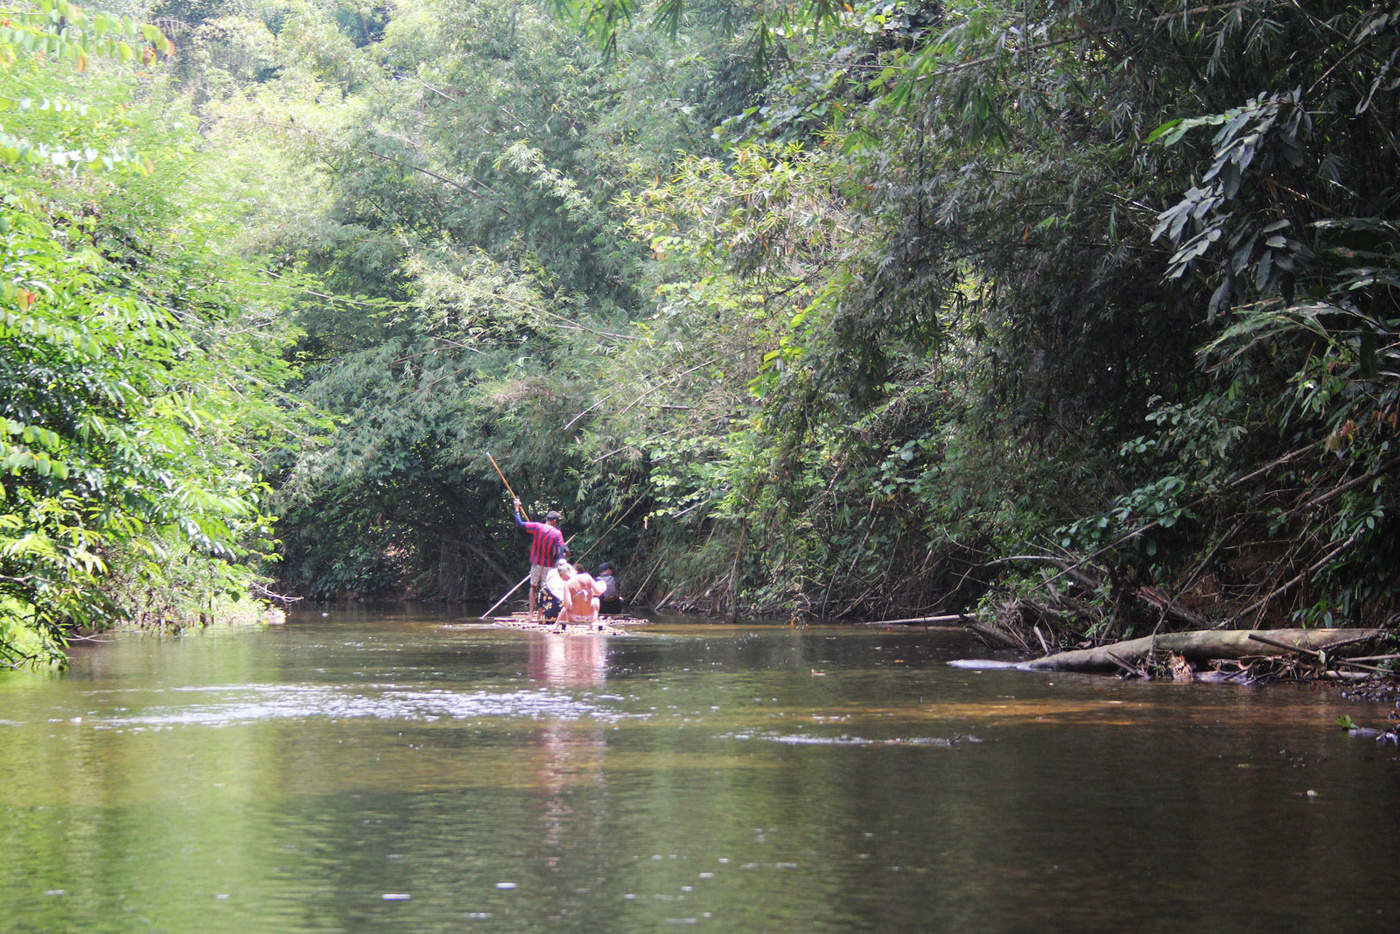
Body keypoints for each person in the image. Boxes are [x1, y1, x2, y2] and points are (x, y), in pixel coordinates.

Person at [513, 497, 564, 620]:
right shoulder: (557, 533)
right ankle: (541, 615)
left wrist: (516, 509)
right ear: (554, 521)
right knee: (546, 589)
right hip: (549, 565)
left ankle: (531, 614)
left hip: (536, 563)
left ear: (547, 519)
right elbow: (560, 551)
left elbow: (519, 524)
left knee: (533, 587)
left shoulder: (537, 527)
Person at [560, 563, 606, 628]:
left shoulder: (568, 583)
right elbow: (598, 592)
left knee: (566, 602)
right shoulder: (587, 577)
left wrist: (556, 623)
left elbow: (567, 605)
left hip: (574, 617)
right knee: (596, 600)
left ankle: (563, 625)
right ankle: (594, 621)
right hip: (589, 617)